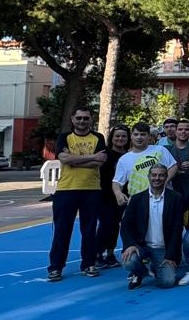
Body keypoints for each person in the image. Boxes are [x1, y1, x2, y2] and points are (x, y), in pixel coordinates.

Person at [47, 107, 107, 282]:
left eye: (85, 118)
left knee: (89, 230)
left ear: (91, 119)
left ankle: (89, 264)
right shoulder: (64, 137)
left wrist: (75, 160)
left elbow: (100, 161)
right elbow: (64, 159)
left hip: (91, 189)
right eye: (79, 118)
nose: (82, 121)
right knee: (62, 230)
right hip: (66, 189)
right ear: (73, 119)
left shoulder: (98, 138)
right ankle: (56, 267)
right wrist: (91, 157)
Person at [121, 165, 184, 290]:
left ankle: (154, 266)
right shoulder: (137, 199)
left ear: (166, 177)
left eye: (161, 175)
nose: (157, 178)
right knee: (128, 262)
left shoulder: (176, 198)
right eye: (154, 175)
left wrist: (171, 256)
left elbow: (177, 230)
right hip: (141, 246)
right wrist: (130, 245)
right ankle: (139, 272)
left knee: (167, 282)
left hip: (163, 248)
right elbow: (125, 225)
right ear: (148, 177)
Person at [112, 122, 177, 207]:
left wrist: (165, 181)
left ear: (149, 136)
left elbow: (173, 166)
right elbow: (117, 182)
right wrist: (118, 194)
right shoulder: (124, 159)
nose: (139, 137)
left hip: (164, 198)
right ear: (131, 136)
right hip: (138, 203)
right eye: (136, 134)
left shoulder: (160, 150)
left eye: (143, 134)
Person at [96, 124, 130, 269]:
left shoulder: (130, 155)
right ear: (112, 138)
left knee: (116, 225)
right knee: (106, 224)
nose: (120, 139)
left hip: (124, 195)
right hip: (105, 195)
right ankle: (97, 253)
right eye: (117, 136)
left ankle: (110, 254)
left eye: (123, 136)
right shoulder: (105, 154)